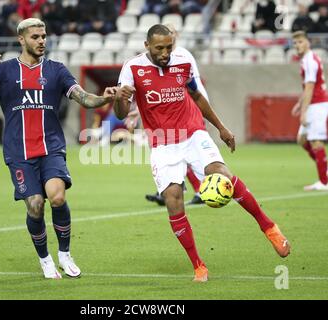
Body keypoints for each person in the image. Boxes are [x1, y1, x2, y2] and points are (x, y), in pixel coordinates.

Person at [114, 24, 290, 282]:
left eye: (168, 47)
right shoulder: (132, 68)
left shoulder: (183, 62)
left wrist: (221, 127)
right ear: (147, 46)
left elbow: (197, 96)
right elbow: (120, 112)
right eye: (159, 48)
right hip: (162, 144)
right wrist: (120, 98)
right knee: (173, 200)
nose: (165, 53)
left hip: (193, 133)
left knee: (224, 175)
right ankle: (199, 265)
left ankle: (269, 227)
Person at [0, 18, 117, 279]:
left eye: (44, 36)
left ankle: (65, 254)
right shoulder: (3, 71)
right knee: (35, 205)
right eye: (35, 37)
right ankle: (45, 258)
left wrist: (105, 98)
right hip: (19, 153)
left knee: (57, 197)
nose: (41, 41)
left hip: (51, 148)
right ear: (21, 40)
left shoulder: (56, 70)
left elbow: (83, 97)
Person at [142, 23, 208, 206]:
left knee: (181, 151)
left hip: (190, 110)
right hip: (176, 113)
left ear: (175, 35)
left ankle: (199, 190)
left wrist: (201, 109)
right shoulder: (159, 62)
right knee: (173, 152)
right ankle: (169, 190)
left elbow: (193, 87)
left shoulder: (182, 56)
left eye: (170, 33)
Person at [291, 31, 328, 191]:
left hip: (318, 104)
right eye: (295, 43)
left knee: (316, 141)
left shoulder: (310, 61)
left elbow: (310, 88)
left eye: (300, 42)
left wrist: (303, 112)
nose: (297, 45)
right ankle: (327, 169)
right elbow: (307, 87)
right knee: (302, 140)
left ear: (308, 42)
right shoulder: (307, 60)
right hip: (313, 104)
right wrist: (299, 103)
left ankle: (324, 182)